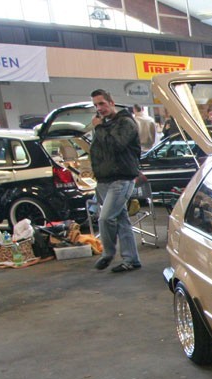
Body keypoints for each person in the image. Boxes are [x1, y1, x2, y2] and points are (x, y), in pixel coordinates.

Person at [89, 89, 143, 273]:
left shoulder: (125, 122)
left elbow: (115, 146)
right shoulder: (106, 125)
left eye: (102, 103)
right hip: (104, 180)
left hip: (121, 179)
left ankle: (108, 254)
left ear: (111, 102)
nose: (99, 108)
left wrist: (98, 128)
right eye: (96, 105)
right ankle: (131, 260)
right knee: (121, 221)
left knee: (105, 218)